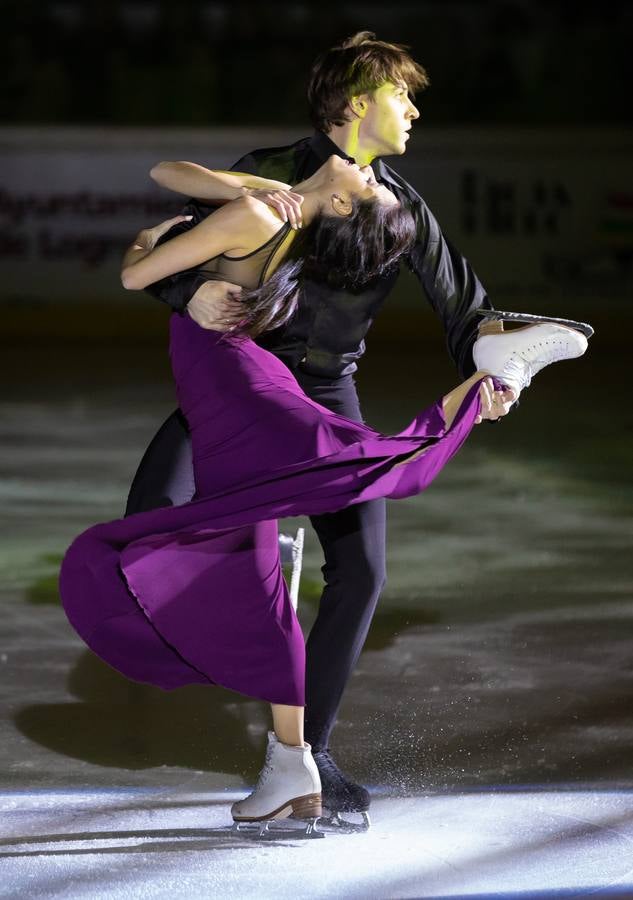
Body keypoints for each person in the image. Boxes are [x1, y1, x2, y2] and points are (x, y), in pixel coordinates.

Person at [60, 153, 589, 830]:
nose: (368, 174)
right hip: (233, 380)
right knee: (253, 572)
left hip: (228, 385)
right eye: (370, 179)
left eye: (365, 184)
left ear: (341, 208)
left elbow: (136, 274)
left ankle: (486, 379)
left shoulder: (258, 214)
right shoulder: (277, 203)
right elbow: (175, 172)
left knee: (347, 464)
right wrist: (234, 204)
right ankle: (290, 766)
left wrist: (153, 239)